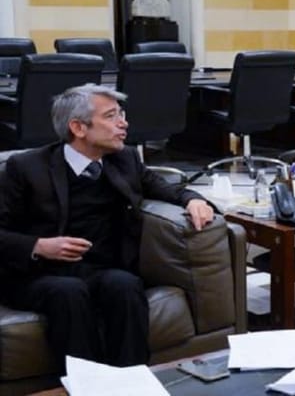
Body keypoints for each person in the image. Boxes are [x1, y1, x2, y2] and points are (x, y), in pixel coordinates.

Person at [0, 84, 215, 369]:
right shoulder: (26, 167)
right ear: (78, 127)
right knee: (69, 292)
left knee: (125, 285)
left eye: (121, 114)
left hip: (101, 269)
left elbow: (166, 188)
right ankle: (84, 382)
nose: (123, 123)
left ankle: (132, 378)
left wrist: (194, 200)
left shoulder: (124, 159)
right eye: (111, 116)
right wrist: (39, 246)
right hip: (40, 273)